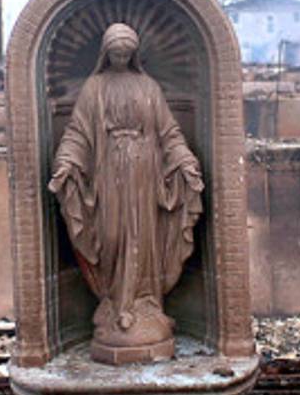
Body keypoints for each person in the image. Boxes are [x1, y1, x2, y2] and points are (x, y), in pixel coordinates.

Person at [48, 22, 203, 364]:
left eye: (126, 53)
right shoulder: (95, 87)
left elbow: (169, 132)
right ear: (106, 53)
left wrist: (184, 160)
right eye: (115, 52)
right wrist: (66, 162)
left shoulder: (148, 87)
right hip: (109, 173)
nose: (120, 57)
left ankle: (146, 303)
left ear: (134, 54)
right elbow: (78, 132)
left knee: (144, 238)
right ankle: (114, 302)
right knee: (113, 235)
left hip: (145, 174)